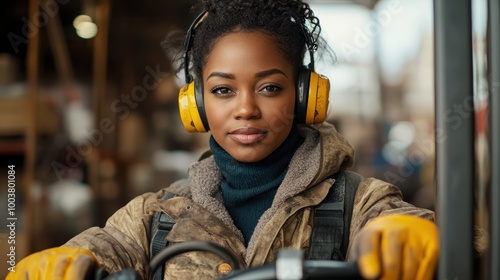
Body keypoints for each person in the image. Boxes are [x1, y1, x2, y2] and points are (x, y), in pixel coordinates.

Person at [7, 0, 439, 279]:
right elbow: (104, 247)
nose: (246, 109)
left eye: (270, 88)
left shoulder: (358, 203)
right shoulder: (156, 219)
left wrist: (403, 234)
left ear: (306, 96)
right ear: (195, 103)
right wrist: (64, 261)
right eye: (223, 90)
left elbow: (443, 238)